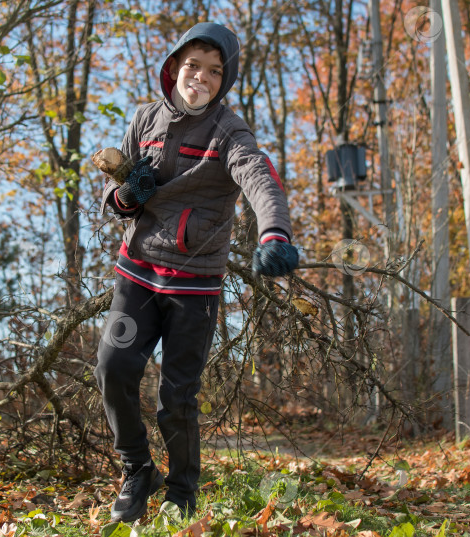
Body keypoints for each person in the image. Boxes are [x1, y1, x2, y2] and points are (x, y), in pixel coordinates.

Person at [95, 22, 299, 523]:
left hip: (194, 285)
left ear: (223, 80)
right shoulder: (145, 119)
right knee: (112, 368)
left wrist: (274, 233)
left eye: (214, 71)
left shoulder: (228, 130)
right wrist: (124, 196)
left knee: (177, 395)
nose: (200, 78)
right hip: (137, 275)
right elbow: (115, 200)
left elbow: (259, 175)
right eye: (192, 66)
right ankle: (138, 470)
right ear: (173, 68)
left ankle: (182, 491)